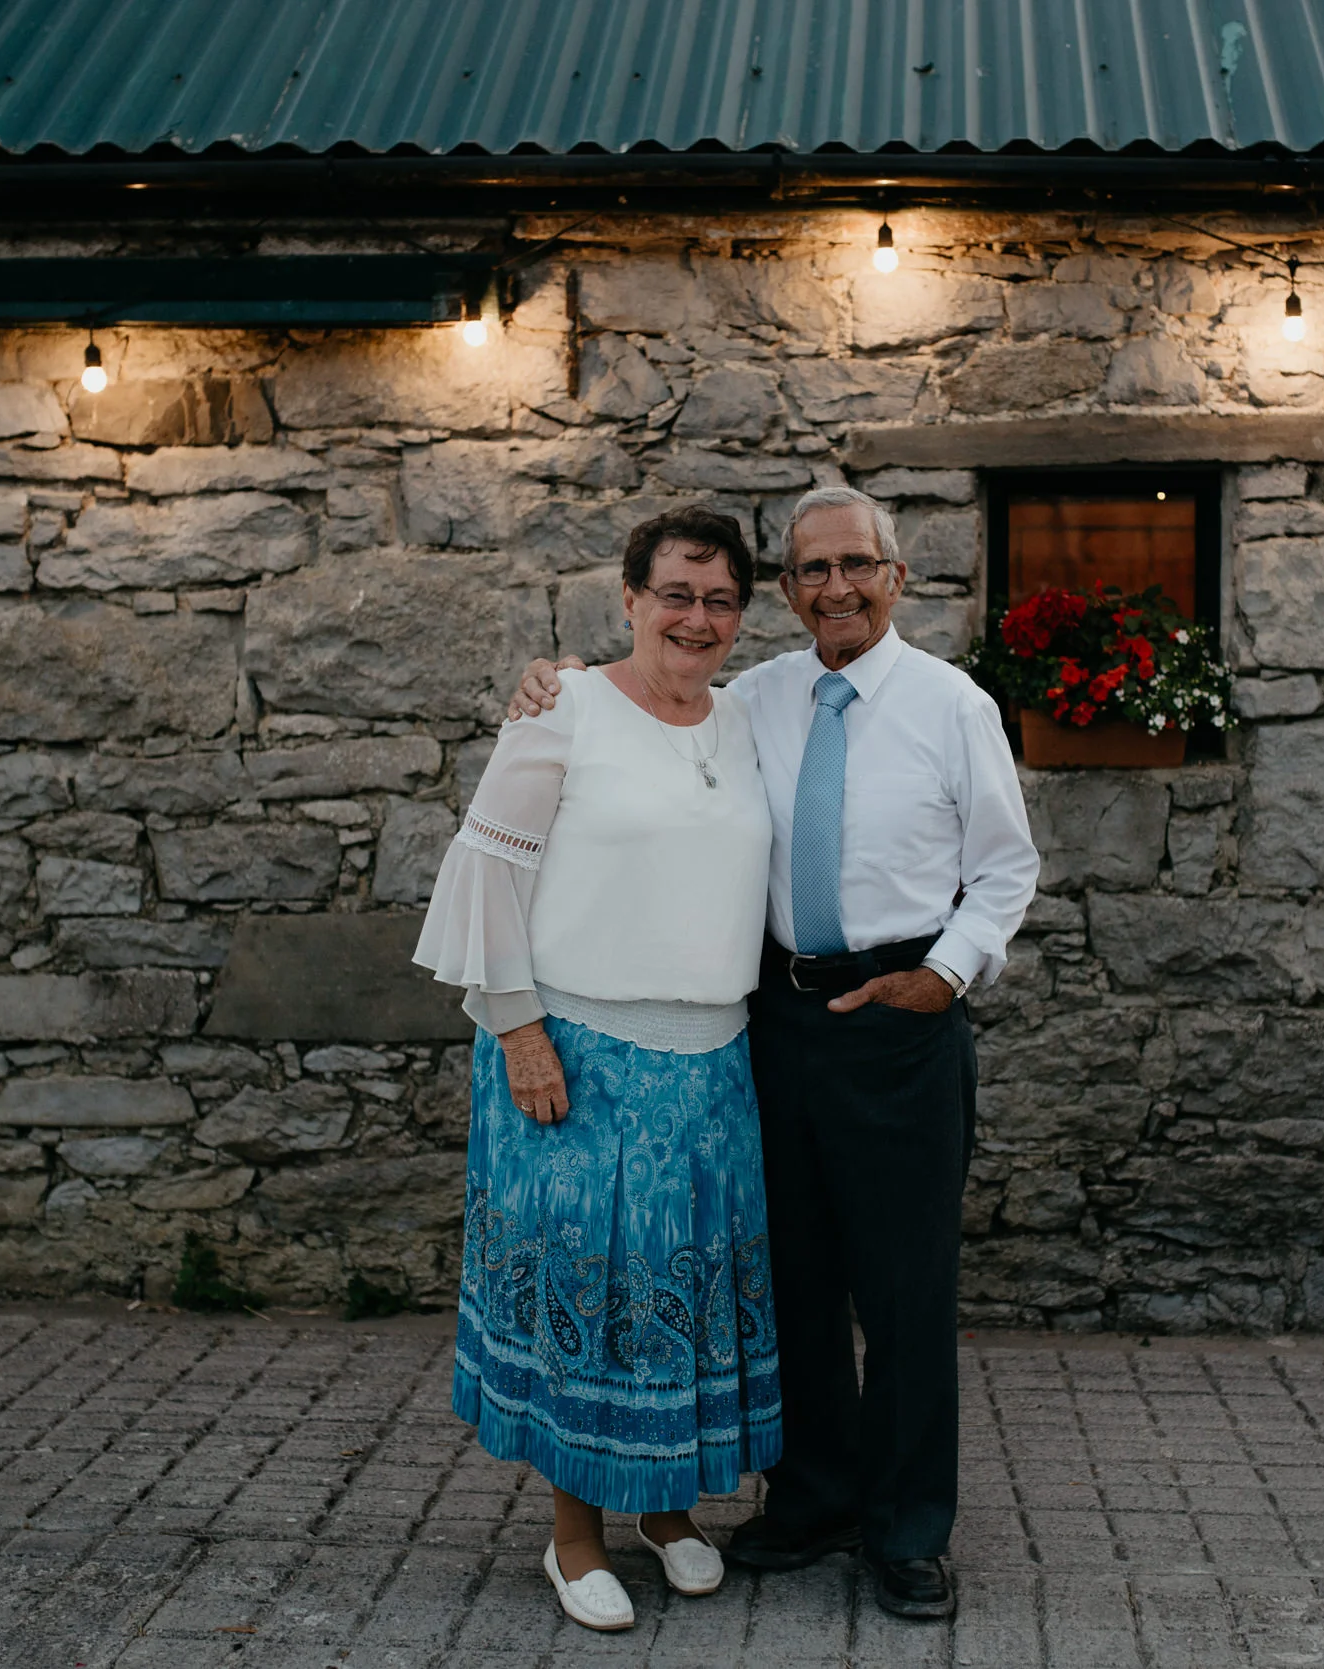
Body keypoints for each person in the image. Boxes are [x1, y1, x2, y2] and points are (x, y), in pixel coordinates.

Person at [513, 484, 1039, 1621]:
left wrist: (941, 975)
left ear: (895, 576)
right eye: (810, 571)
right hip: (774, 1018)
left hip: (900, 1014)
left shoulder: (954, 706)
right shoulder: (751, 698)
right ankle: (812, 1497)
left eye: (856, 565)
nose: (834, 588)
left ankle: (905, 1529)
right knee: (787, 1279)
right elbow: (645, 700)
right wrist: (545, 684)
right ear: (787, 591)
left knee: (903, 1292)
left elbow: (1004, 869)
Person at [414, 506, 781, 1634]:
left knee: (680, 1300)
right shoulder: (563, 708)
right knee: (599, 1304)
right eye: (675, 592)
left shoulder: (743, 720)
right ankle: (575, 1538)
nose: (697, 617)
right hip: (578, 1056)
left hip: (712, 1060)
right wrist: (519, 1030)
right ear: (629, 598)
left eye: (720, 599)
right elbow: (484, 873)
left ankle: (665, 1510)